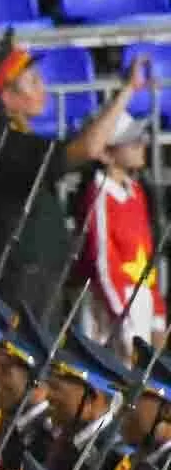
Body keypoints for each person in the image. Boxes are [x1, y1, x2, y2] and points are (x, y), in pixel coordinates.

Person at [0, 39, 151, 330]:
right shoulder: (5, 144)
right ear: (8, 97)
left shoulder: (8, 138)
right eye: (32, 82)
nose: (43, 88)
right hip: (22, 285)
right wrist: (126, 91)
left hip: (36, 279)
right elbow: (90, 148)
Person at [77, 114, 164, 357]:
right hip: (112, 308)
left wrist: (157, 315)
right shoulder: (99, 194)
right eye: (132, 141)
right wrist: (123, 320)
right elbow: (103, 262)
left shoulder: (136, 192)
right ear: (106, 153)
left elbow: (146, 259)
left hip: (141, 300)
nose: (141, 144)